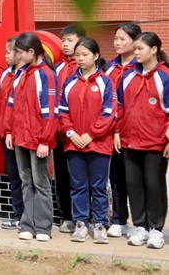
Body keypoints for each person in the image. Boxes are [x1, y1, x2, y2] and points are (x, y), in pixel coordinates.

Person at [58, 37, 115, 244]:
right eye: (77, 55)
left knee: (98, 187)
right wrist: (71, 134)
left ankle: (100, 224)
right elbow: (62, 112)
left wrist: (91, 134)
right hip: (74, 145)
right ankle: (81, 223)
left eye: (85, 54)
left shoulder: (105, 82)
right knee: (78, 186)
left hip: (99, 144)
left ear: (96, 56)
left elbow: (109, 113)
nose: (80, 59)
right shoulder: (69, 82)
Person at [117, 32, 169, 249]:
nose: (136, 52)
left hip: (156, 142)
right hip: (130, 141)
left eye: (140, 49)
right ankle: (140, 226)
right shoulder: (128, 76)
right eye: (135, 49)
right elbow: (120, 106)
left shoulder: (165, 76)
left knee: (154, 185)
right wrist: (117, 132)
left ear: (154, 50)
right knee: (134, 185)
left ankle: (156, 229)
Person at [5, 32, 58, 242]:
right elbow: (12, 105)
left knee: (40, 183)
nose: (17, 56)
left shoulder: (46, 75)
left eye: (19, 52)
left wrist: (45, 140)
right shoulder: (21, 74)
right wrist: (9, 131)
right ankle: (27, 224)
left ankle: (43, 227)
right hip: (20, 137)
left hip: (38, 140)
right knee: (26, 181)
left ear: (31, 51)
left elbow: (50, 110)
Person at [105, 22, 141, 238]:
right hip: (112, 133)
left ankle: (140, 223)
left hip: (136, 133)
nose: (117, 43)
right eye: (115, 38)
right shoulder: (109, 67)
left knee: (135, 180)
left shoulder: (140, 68)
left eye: (122, 39)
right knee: (116, 177)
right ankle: (118, 220)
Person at [53, 24, 86, 234]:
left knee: (82, 178)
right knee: (62, 176)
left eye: (70, 40)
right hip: (59, 134)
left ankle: (86, 216)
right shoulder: (56, 68)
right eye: (63, 40)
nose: (65, 44)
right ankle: (66, 216)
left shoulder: (85, 69)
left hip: (80, 135)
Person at [0, 36, 24, 230]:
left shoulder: (27, 74)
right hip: (6, 133)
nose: (5, 55)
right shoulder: (5, 74)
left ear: (19, 53)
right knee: (14, 176)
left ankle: (30, 217)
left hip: (21, 134)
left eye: (9, 52)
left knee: (26, 177)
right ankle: (18, 214)